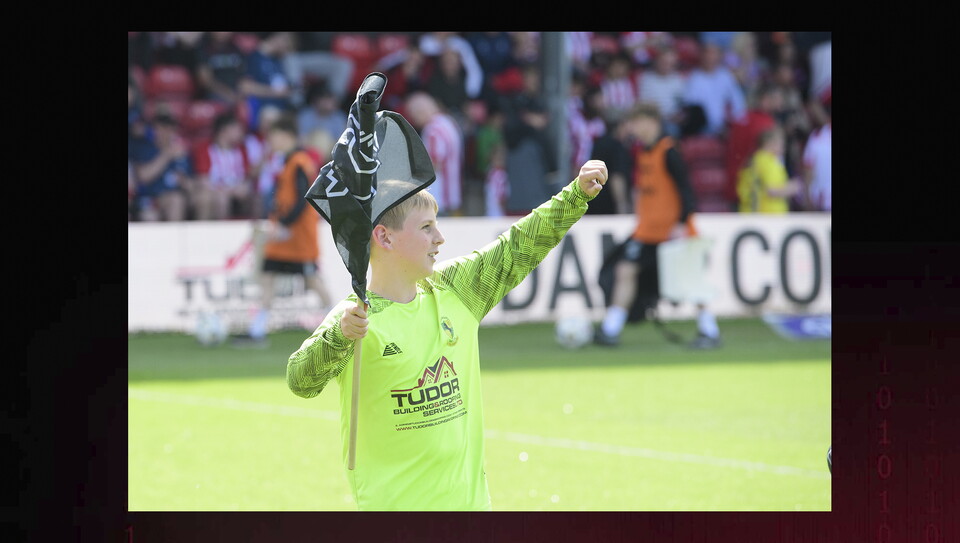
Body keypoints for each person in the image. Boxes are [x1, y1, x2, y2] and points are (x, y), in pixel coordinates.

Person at [286, 159, 609, 511]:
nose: (439, 238)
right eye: (426, 228)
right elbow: (301, 381)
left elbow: (517, 247)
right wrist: (339, 336)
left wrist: (576, 195)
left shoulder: (457, 289)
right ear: (384, 237)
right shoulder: (355, 319)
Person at [595, 103, 720, 349]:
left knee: (691, 280)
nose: (632, 128)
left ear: (651, 121)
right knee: (625, 271)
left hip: (674, 230)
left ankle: (710, 330)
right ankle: (611, 328)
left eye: (636, 122)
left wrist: (682, 222)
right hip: (648, 231)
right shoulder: (643, 153)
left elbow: (686, 190)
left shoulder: (669, 151)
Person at [248, 114, 333, 341]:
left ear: (286, 136)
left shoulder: (299, 163)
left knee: (312, 279)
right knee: (268, 275)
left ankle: (337, 321)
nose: (271, 142)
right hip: (282, 237)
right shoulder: (288, 162)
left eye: (274, 136)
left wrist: (284, 224)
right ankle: (257, 328)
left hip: (298, 236)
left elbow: (304, 198)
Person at [404, 91, 464, 216]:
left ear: (420, 111)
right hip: (452, 194)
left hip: (439, 197)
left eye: (414, 116)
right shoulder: (448, 122)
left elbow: (434, 164)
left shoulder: (432, 130)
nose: (414, 122)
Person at [190, 111, 254, 220]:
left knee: (253, 195)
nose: (241, 133)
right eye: (237, 129)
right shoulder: (205, 149)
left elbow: (246, 177)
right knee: (216, 198)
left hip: (236, 192)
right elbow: (203, 181)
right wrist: (228, 191)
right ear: (224, 131)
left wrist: (242, 187)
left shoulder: (242, 150)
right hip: (215, 191)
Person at [128, 112, 190, 221]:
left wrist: (185, 182)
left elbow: (191, 181)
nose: (163, 133)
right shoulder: (145, 149)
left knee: (179, 199)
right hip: (149, 197)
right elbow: (143, 176)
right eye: (159, 129)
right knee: (152, 214)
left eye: (169, 129)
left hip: (177, 196)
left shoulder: (181, 153)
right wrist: (166, 155)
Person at [681, 41, 747, 137]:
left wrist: (735, 125)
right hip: (702, 129)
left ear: (719, 57)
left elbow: (738, 104)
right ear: (702, 56)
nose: (710, 58)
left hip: (726, 128)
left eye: (713, 54)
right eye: (707, 54)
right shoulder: (693, 78)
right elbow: (691, 107)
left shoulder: (726, 76)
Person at [736, 125, 801, 213]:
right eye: (781, 144)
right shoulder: (769, 162)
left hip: (755, 214)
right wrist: (793, 187)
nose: (783, 148)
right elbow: (771, 191)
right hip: (770, 215)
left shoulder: (755, 159)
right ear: (770, 143)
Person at [239, 32, 296, 132]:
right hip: (263, 109)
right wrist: (274, 92)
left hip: (283, 109)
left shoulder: (278, 60)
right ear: (278, 38)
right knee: (272, 116)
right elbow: (245, 87)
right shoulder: (254, 57)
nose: (288, 47)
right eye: (287, 42)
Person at [195, 31, 246, 107]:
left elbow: (244, 77)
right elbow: (205, 80)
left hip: (236, 94)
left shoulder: (235, 49)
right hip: (214, 95)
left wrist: (239, 95)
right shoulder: (203, 48)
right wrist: (228, 94)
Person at [800, 98, 831, 211]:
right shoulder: (817, 137)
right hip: (822, 200)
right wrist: (807, 197)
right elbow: (808, 168)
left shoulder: (817, 136)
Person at [296, 80, 348, 145]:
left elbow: (342, 142)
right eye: (324, 99)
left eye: (330, 99)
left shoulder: (340, 117)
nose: (327, 103)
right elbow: (301, 138)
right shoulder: (305, 115)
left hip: (330, 151)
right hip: (308, 149)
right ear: (316, 101)